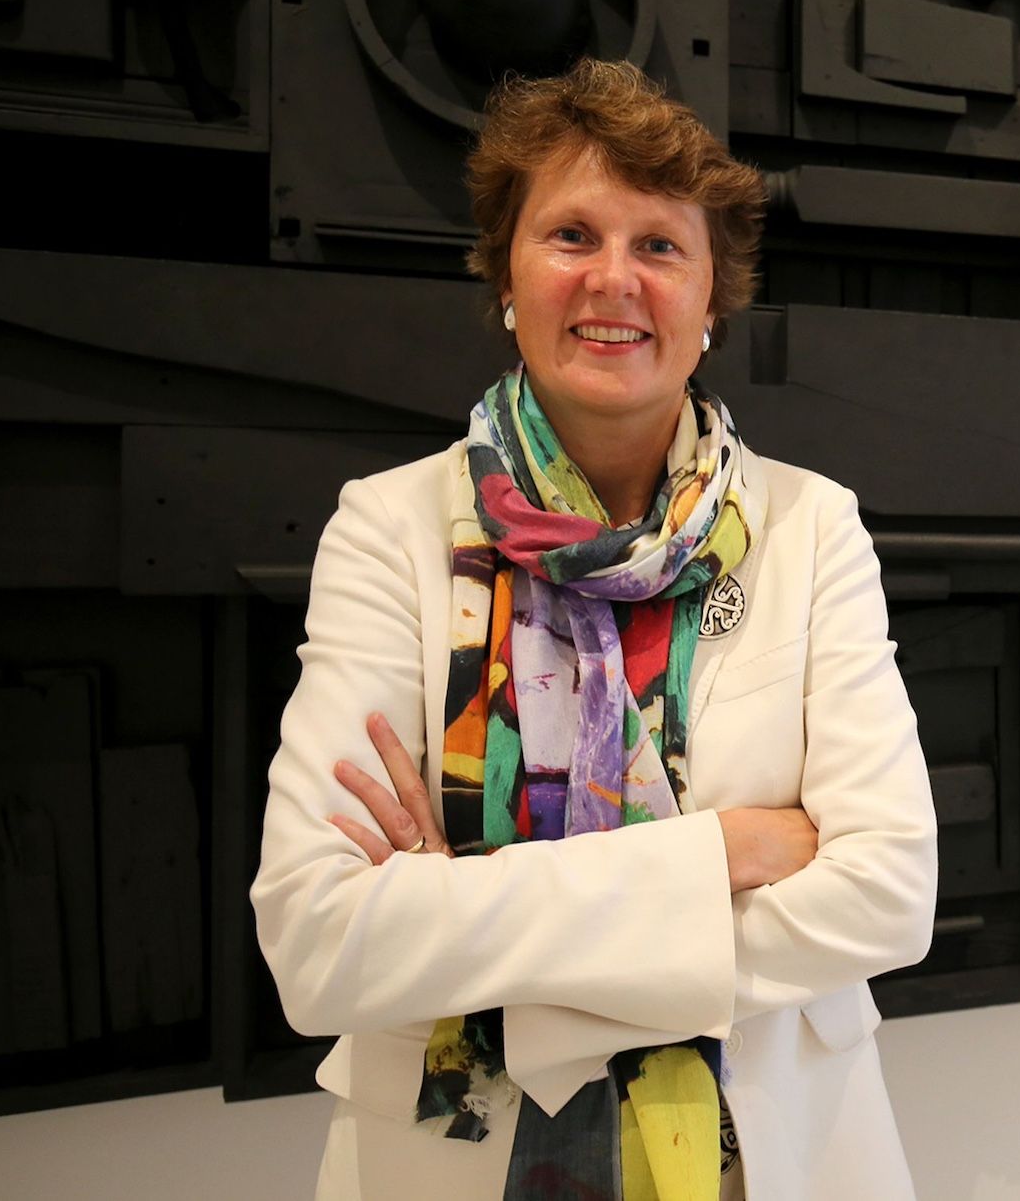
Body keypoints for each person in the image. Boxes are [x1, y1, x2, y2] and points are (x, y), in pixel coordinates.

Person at [250, 58, 938, 1201]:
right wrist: (722, 855)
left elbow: (886, 893)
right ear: (506, 278)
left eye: (660, 245)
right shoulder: (388, 531)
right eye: (571, 234)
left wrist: (469, 924)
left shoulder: (813, 529)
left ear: (712, 297)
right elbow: (320, 942)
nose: (613, 279)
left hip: (764, 1160)